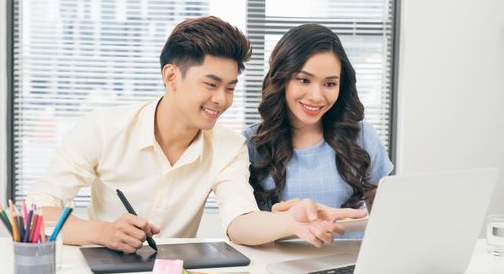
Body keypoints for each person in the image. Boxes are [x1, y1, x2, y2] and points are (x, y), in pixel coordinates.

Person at [27, 17, 365, 253]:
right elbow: (36, 213)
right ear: (172, 77)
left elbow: (240, 222)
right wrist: (101, 232)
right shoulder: (103, 128)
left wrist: (291, 224)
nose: (222, 100)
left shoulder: (229, 147)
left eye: (230, 88)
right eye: (211, 84)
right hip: (102, 272)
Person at [243, 24, 393, 229]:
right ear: (282, 78)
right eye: (304, 80)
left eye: (330, 84)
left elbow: (390, 218)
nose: (316, 96)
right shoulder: (252, 143)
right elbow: (242, 225)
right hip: (279, 259)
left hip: (352, 259)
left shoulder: (362, 135)